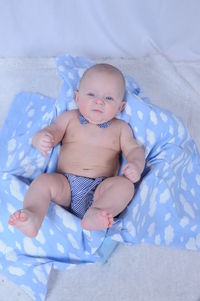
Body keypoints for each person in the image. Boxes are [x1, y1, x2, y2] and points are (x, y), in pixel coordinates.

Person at [8, 63, 145, 237]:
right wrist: (41, 138)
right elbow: (53, 131)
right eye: (91, 94)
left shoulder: (121, 128)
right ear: (77, 97)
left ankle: (96, 213)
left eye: (109, 98)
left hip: (101, 189)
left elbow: (134, 149)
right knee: (43, 182)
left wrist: (136, 164)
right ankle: (33, 216)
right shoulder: (69, 118)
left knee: (125, 186)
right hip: (65, 185)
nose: (99, 101)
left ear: (120, 107)